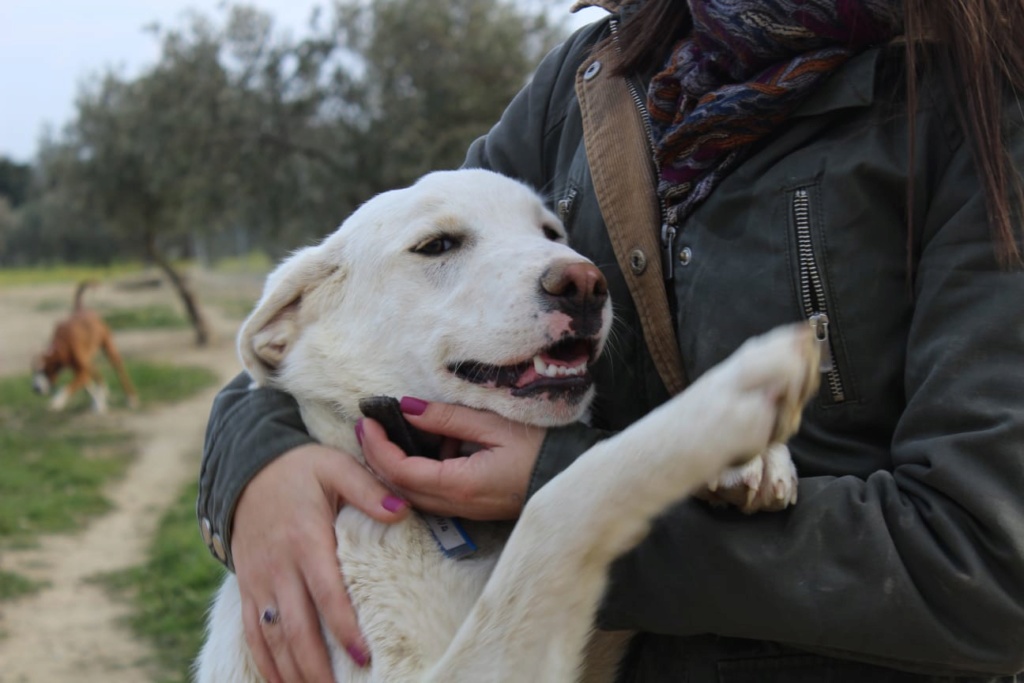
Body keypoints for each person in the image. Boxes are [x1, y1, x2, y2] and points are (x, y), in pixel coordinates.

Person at [197, 0, 1024, 681]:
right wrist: (258, 462)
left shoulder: (983, 103)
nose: (569, 269)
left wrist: (578, 485)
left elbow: (989, 570)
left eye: (557, 234)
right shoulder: (595, 76)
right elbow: (394, 281)